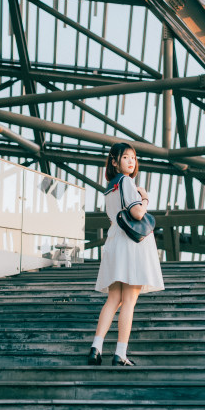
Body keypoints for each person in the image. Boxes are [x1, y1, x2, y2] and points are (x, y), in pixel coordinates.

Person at [88, 142, 165, 367]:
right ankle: (120, 353)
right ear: (115, 161)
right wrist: (145, 198)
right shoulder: (127, 182)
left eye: (133, 157)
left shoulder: (110, 188)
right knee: (129, 300)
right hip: (131, 245)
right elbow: (138, 213)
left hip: (114, 242)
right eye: (125, 158)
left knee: (113, 299)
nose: (131, 161)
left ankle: (96, 346)